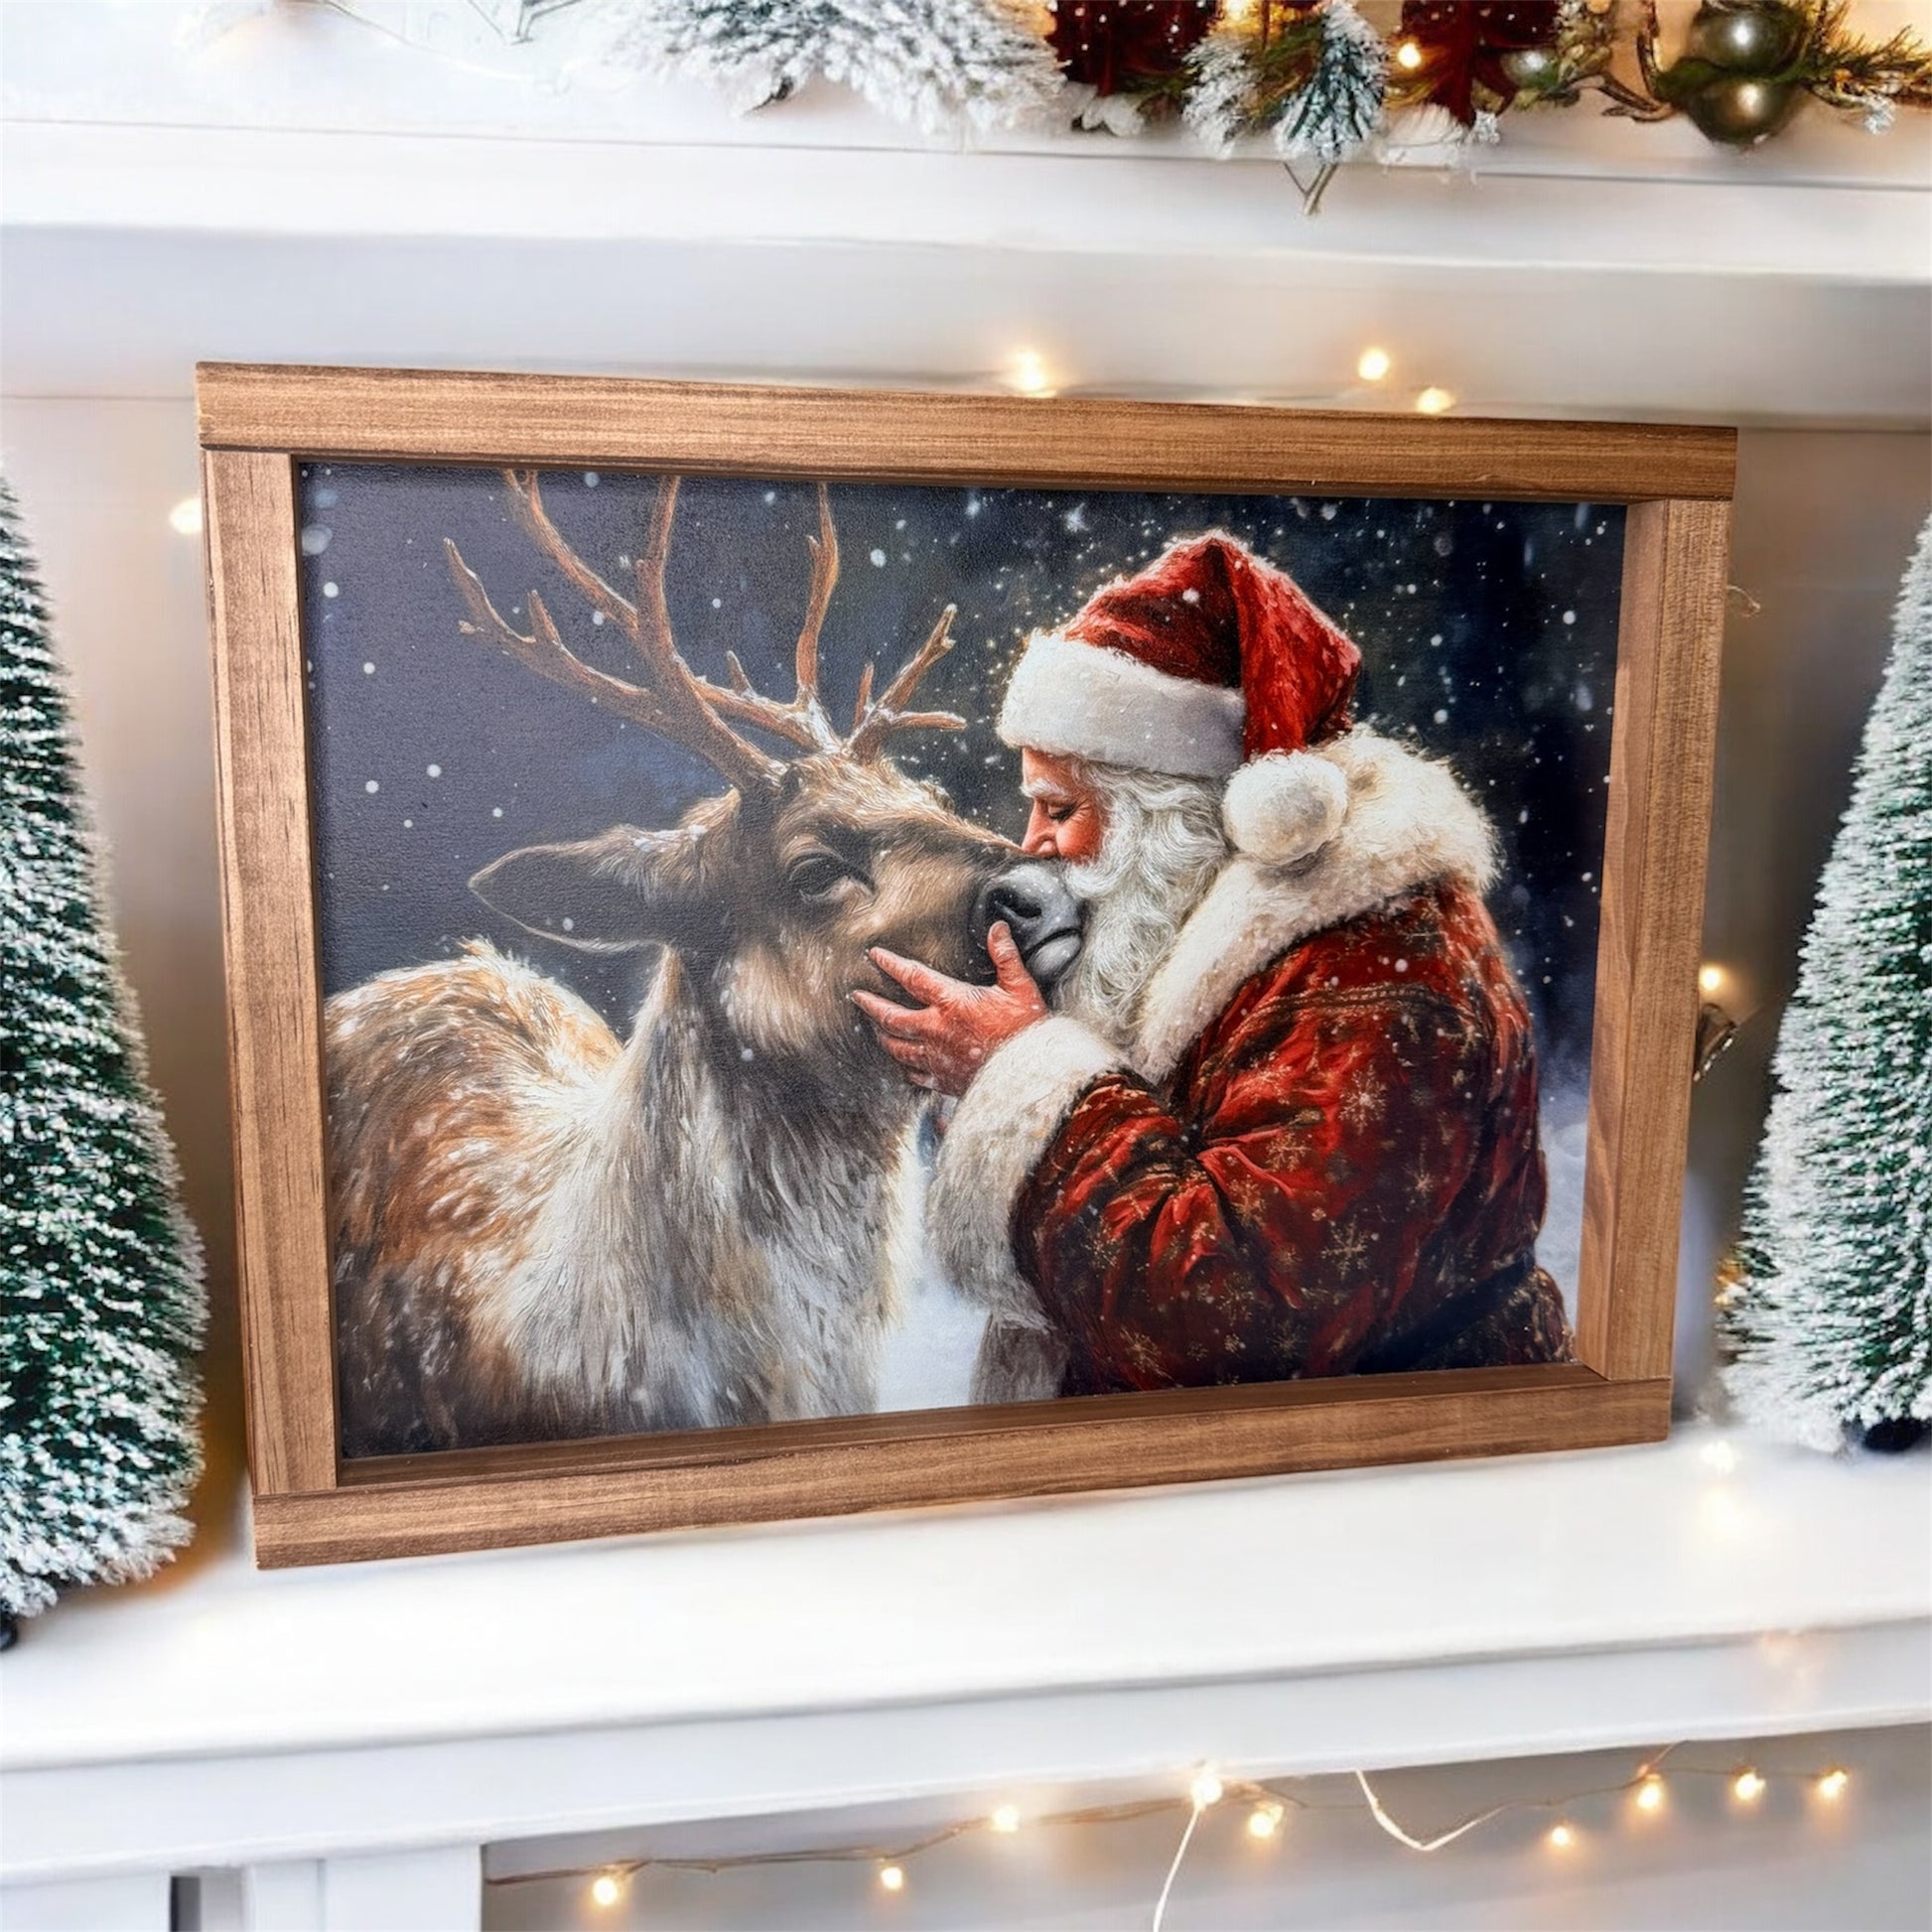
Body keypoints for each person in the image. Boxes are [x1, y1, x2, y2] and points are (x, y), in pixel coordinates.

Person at [851, 531, 1573, 1401]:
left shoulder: (1380, 974)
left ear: (1181, 811)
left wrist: (1021, 1074)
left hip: (1379, 1492)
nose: (1031, 842)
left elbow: (1233, 1322)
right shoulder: (1198, 920)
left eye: (1060, 806)